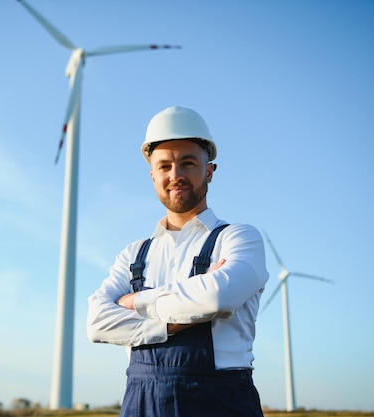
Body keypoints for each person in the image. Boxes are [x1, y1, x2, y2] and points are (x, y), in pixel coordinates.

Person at [86, 106, 269, 417]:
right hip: (140, 401)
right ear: (153, 175)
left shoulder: (239, 238)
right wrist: (182, 316)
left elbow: (217, 297)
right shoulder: (134, 253)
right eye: (165, 166)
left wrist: (137, 301)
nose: (176, 176)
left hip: (220, 401)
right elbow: (98, 323)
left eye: (188, 163)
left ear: (209, 170)